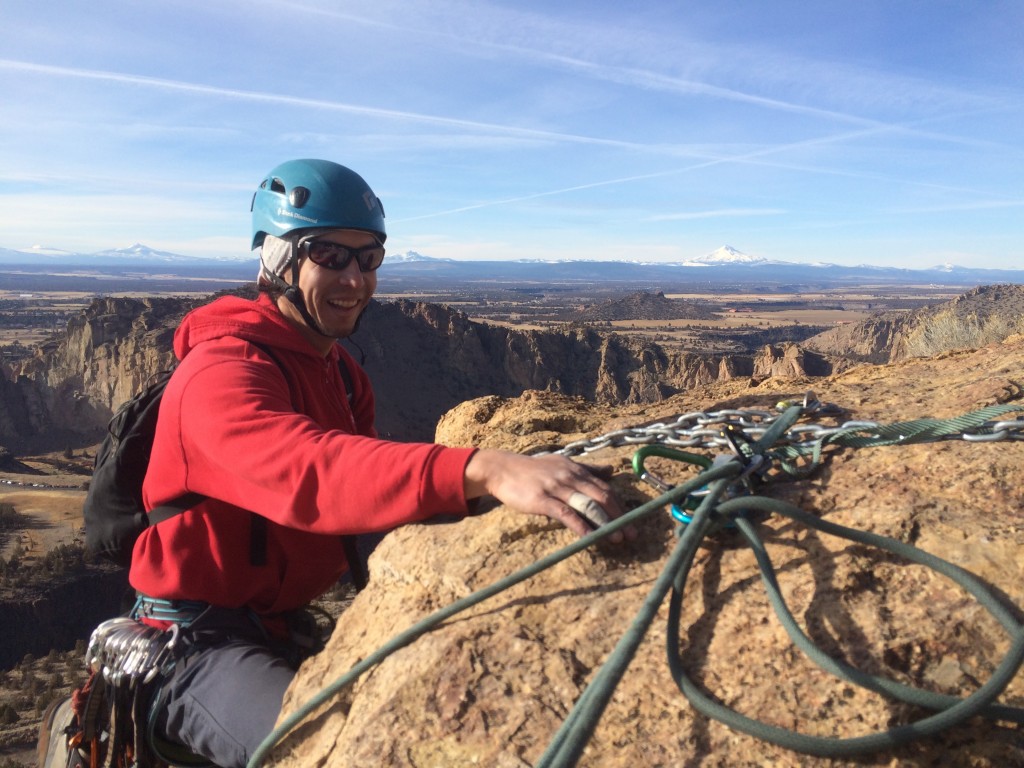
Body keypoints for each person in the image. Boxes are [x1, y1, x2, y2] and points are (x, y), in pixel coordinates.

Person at [120, 158, 628, 767]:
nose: (355, 279)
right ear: (278, 258)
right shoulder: (222, 371)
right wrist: (482, 469)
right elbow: (308, 472)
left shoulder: (338, 370)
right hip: (195, 649)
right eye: (329, 255)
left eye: (370, 258)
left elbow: (365, 492)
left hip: (278, 624)